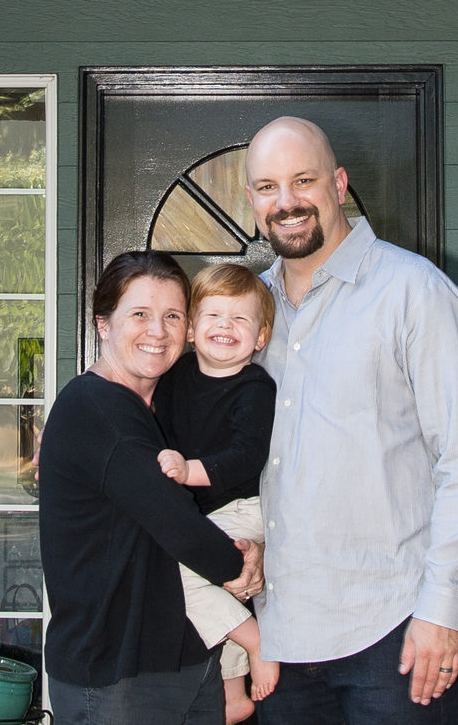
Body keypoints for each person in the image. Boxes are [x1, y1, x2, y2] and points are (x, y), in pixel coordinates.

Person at [245, 116, 458, 724]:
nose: (286, 203)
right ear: (252, 199)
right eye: (267, 187)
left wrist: (441, 607)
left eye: (303, 180)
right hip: (278, 635)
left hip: (392, 634)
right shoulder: (245, 312)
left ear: (338, 184)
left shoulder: (415, 292)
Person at [38, 250, 265, 725]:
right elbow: (173, 518)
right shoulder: (96, 408)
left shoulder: (160, 403)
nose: (157, 330)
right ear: (103, 324)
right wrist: (238, 564)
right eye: (139, 314)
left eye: (172, 316)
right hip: (115, 673)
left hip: (187, 657)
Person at [153, 263, 280, 724]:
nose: (225, 326)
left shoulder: (255, 388)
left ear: (260, 337)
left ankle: (257, 641)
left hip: (246, 507)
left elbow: (246, 456)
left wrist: (189, 471)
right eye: (213, 316)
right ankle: (233, 691)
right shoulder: (176, 376)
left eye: (240, 319)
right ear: (190, 328)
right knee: (212, 590)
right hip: (207, 509)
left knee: (173, 570)